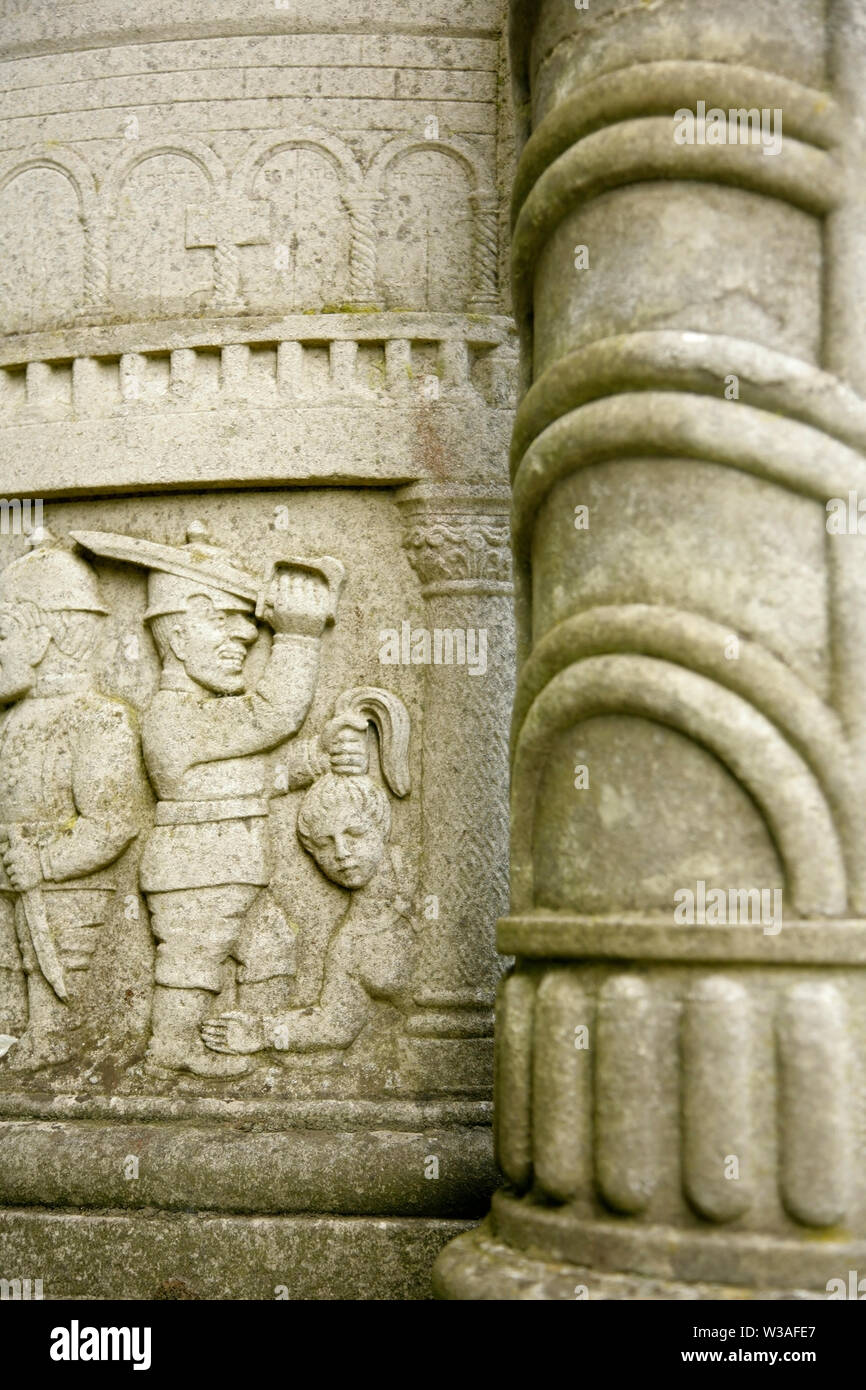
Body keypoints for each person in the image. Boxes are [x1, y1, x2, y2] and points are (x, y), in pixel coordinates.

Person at [74, 524, 366, 1076]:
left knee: (271, 942)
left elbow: (260, 772)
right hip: (197, 870)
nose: (247, 638)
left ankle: (254, 1036)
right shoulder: (174, 717)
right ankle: (170, 1051)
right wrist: (299, 635)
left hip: (232, 865)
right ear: (179, 641)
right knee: (193, 960)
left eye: (247, 624)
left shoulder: (205, 719)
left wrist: (319, 759)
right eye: (222, 623)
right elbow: (271, 715)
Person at [0, 530, 147, 1070]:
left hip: (66, 888)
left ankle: (54, 1035)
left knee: (51, 971)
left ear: (44, 639)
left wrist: (44, 861)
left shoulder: (95, 717)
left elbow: (114, 821)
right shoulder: (11, 717)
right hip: (10, 872)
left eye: (1, 637)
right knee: (7, 970)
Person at [201, 772, 415, 1060]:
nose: (342, 852)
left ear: (382, 828)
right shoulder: (350, 942)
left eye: (354, 834)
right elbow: (336, 1024)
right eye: (326, 844)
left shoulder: (430, 881)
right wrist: (262, 1032)